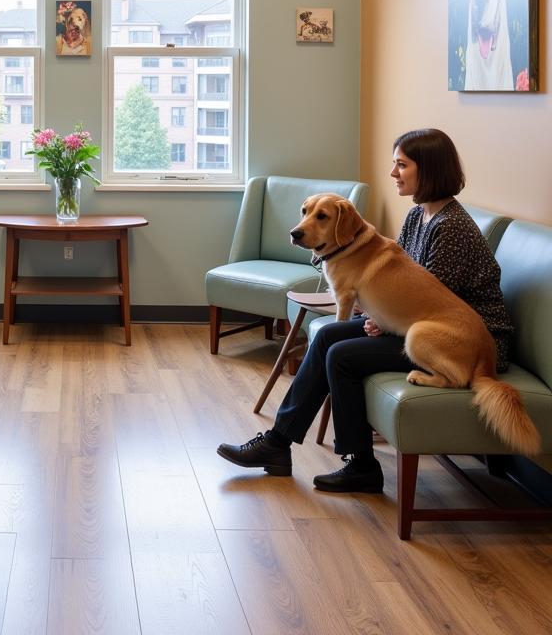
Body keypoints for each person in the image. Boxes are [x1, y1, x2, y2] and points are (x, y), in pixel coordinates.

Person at [217, 128, 514, 493]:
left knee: (342, 356)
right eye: (394, 164)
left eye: (402, 165)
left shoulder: (451, 227)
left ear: (430, 170)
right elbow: (400, 285)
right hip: (424, 327)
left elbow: (437, 299)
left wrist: (380, 322)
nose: (393, 173)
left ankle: (360, 465)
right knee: (326, 333)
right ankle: (278, 444)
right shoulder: (418, 215)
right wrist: (372, 317)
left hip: (462, 341)